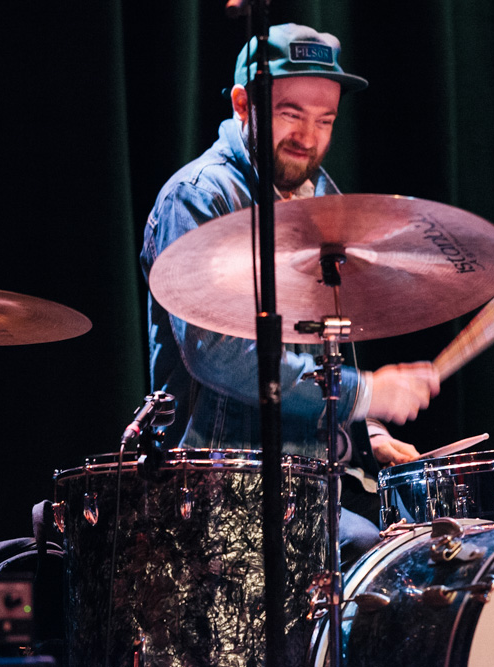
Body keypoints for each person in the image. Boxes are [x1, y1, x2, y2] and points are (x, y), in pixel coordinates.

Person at [140, 23, 440, 566]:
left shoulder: (321, 198)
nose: (309, 136)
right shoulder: (198, 198)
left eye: (325, 120)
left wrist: (363, 428)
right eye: (291, 113)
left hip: (308, 488)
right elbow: (215, 353)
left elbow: (321, 346)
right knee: (364, 555)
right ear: (243, 104)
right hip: (212, 491)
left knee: (411, 553)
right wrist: (365, 393)